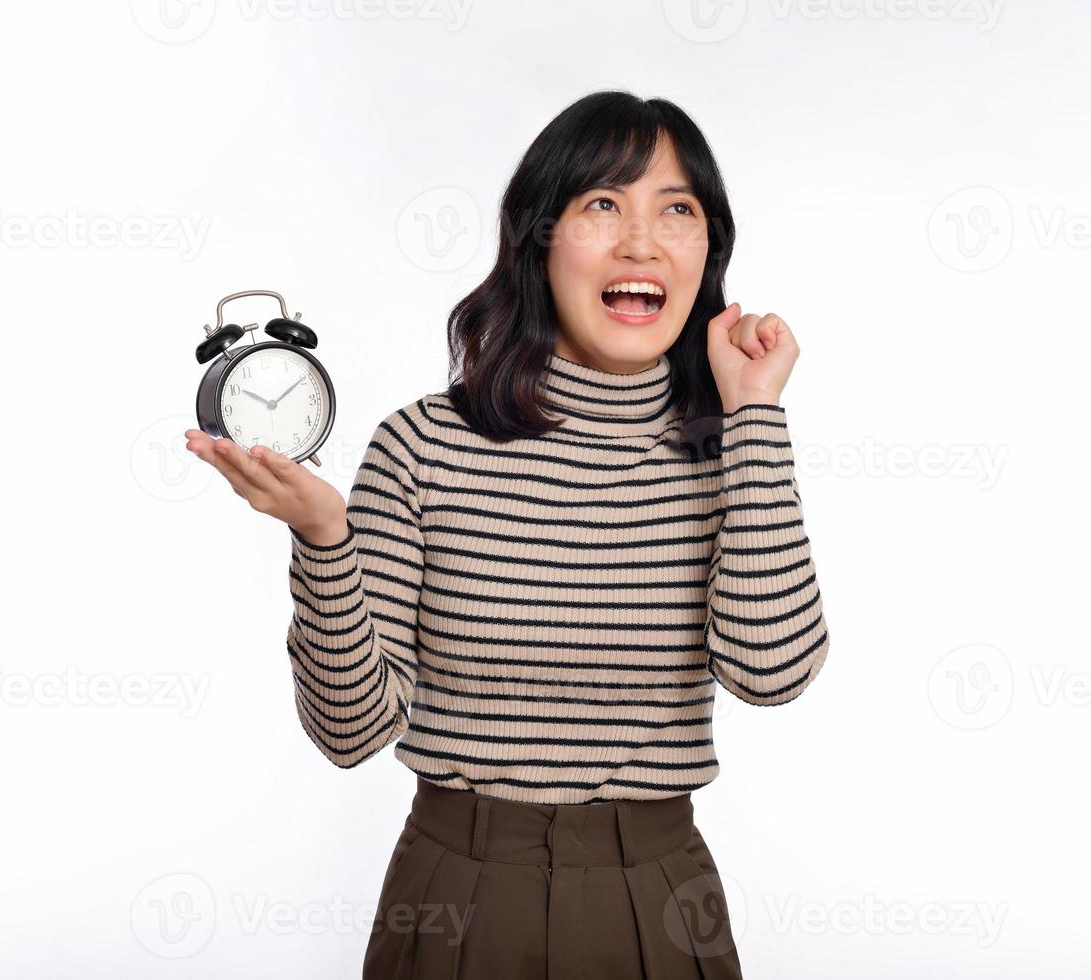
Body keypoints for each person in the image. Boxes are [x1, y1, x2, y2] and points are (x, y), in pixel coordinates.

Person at [184, 89, 832, 980]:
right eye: (602, 204)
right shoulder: (423, 445)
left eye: (675, 210)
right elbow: (350, 732)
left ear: (708, 252)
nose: (640, 241)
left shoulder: (731, 451)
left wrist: (754, 413)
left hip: (662, 901)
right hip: (458, 895)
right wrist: (324, 539)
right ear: (538, 240)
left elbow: (773, 672)